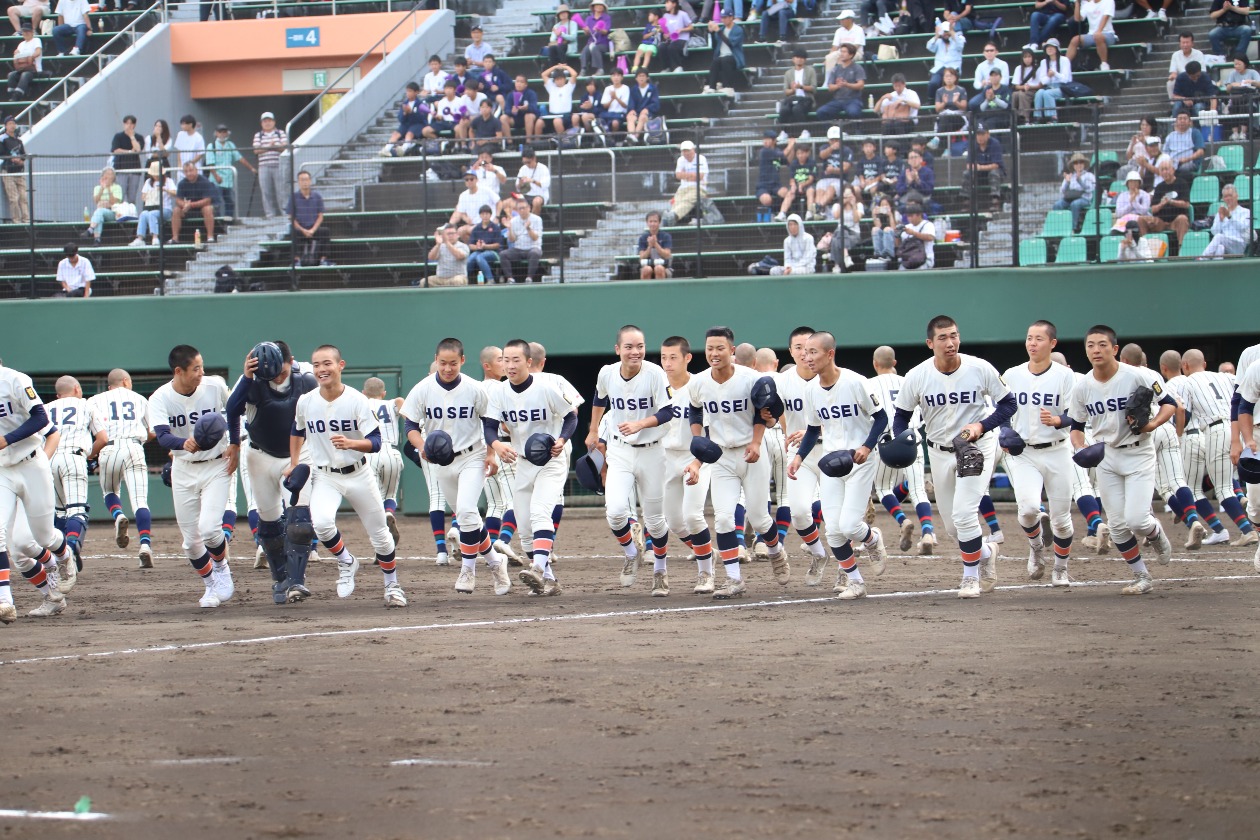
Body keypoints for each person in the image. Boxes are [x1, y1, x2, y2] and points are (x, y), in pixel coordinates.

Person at [891, 315, 1016, 597]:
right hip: (938, 451)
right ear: (930, 343)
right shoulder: (917, 375)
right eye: (943, 338)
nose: (950, 343)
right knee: (951, 527)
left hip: (976, 447)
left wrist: (982, 425)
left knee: (963, 514)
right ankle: (986, 552)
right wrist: (905, 438)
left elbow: (1009, 404)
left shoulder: (979, 368)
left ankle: (970, 577)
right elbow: (901, 416)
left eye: (954, 336)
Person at [290, 345, 406, 608]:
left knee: (380, 534)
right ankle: (346, 561)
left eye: (327, 364)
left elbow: (376, 441)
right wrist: (294, 462)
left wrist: (352, 444)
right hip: (325, 475)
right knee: (320, 524)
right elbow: (296, 431)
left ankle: (392, 585)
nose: (322, 369)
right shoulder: (306, 401)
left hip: (359, 473)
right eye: (317, 364)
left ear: (340, 365)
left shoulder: (356, 400)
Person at [1067, 326, 1175, 594]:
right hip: (1107, 455)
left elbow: (1170, 403)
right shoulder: (1082, 387)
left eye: (1102, 344)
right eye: (1090, 345)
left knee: (1137, 520)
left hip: (1138, 451)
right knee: (1116, 526)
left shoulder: (1137, 376)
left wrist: (1152, 425)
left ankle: (1155, 534)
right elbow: (1076, 426)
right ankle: (1142, 577)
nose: (1096, 350)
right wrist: (1080, 447)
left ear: (1115, 349)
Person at [684, 326, 788, 599]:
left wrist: (756, 442)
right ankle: (734, 579)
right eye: (709, 349)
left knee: (759, 516)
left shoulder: (751, 378)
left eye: (720, 348)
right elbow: (694, 409)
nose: (714, 354)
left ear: (732, 350)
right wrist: (698, 442)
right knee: (723, 518)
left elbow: (765, 413)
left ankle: (776, 551)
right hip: (720, 456)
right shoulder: (699, 382)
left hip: (751, 451)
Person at [401, 338, 508, 595]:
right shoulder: (423, 388)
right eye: (442, 363)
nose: (447, 368)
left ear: (462, 360)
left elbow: (489, 422)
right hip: (441, 461)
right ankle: (495, 561)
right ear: (436, 360)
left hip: (472, 456)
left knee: (466, 511)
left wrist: (491, 453)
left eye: (452, 363)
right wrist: (423, 446)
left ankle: (467, 570)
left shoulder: (474, 388)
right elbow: (410, 427)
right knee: (467, 516)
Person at [786, 331, 888, 599]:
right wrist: (799, 457)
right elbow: (811, 430)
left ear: (830, 354)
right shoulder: (811, 390)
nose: (807, 358)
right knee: (833, 531)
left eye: (813, 352)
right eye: (805, 352)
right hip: (830, 462)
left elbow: (881, 418)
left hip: (860, 460)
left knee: (851, 526)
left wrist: (867, 446)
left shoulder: (856, 382)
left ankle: (872, 539)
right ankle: (855, 582)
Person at [223, 341, 318, 602]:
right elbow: (232, 410)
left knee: (300, 523)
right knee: (269, 525)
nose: (277, 377)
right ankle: (280, 579)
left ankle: (297, 582)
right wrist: (247, 376)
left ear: (292, 362)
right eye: (272, 373)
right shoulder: (254, 383)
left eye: (282, 372)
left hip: (298, 453)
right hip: (260, 455)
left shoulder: (306, 381)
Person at [580, 326, 673, 592]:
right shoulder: (607, 372)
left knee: (655, 520)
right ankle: (632, 553)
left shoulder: (654, 373)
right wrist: (594, 430)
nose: (636, 351)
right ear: (618, 349)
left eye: (640, 346)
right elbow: (599, 397)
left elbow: (668, 411)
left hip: (652, 450)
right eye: (630, 346)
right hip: (620, 450)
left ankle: (660, 570)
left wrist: (641, 423)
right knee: (616, 511)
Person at [148, 345, 237, 609]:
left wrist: (235, 444)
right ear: (179, 371)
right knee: (190, 542)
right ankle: (210, 584)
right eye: (196, 368)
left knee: (210, 528)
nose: (201, 373)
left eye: (202, 366)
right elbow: (162, 436)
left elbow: (233, 414)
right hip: (184, 468)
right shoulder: (160, 398)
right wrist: (182, 443)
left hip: (216, 465)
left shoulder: (214, 387)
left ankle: (221, 567)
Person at [88, 369, 154, 568]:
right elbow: (152, 432)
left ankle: (118, 515)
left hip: (109, 448)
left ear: (110, 386)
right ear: (125, 382)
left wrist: (91, 454)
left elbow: (93, 430)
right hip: (134, 446)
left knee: (109, 491)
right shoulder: (140, 399)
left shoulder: (94, 400)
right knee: (140, 501)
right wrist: (139, 441)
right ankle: (145, 545)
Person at [205, 124, 252, 220]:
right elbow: (210, 163)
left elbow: (239, 158)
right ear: (216, 133)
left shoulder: (230, 145)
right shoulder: (212, 145)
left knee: (230, 202)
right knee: (216, 203)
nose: (222, 134)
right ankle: (217, 222)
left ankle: (228, 220)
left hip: (228, 180)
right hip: (216, 180)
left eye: (224, 132)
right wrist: (216, 175)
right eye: (220, 132)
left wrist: (251, 168)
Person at [1139, 159, 1191, 245]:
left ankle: (1181, 250)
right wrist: (1161, 204)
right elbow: (1153, 209)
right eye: (1162, 170)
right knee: (1141, 219)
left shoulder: (1182, 183)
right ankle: (1145, 248)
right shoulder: (1159, 187)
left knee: (1183, 218)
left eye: (1166, 169)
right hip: (1160, 222)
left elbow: (1186, 204)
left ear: (1173, 170)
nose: (1164, 172)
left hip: (1176, 221)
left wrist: (1171, 202)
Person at [287, 170, 329, 267]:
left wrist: (313, 230)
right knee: (293, 232)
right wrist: (303, 230)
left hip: (313, 228)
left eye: (306, 179)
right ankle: (296, 261)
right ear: (298, 182)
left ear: (310, 181)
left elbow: (320, 216)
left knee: (325, 231)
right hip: (300, 229)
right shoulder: (293, 197)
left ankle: (324, 260)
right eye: (302, 180)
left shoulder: (317, 196)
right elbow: (291, 217)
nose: (304, 182)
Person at [168, 161, 216, 244]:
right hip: (187, 209)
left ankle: (210, 237)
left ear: (196, 170)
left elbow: (208, 200)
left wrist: (191, 205)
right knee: (176, 210)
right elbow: (178, 200)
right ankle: (175, 238)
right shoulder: (181, 183)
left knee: (208, 209)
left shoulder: (204, 181)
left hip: (202, 208)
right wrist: (185, 205)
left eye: (191, 170)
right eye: (186, 171)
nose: (189, 173)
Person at [131, 160, 175, 247]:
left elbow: (175, 192)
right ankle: (140, 238)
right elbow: (143, 196)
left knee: (152, 214)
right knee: (143, 214)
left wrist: (164, 189)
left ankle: (155, 237)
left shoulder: (168, 181)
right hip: (151, 207)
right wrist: (150, 194)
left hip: (165, 209)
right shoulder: (148, 182)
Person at [961, 124, 1004, 212]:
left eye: (982, 134)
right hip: (979, 175)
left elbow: (996, 164)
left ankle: (995, 201)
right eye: (978, 134)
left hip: (994, 173)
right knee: (966, 173)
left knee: (994, 172)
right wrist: (976, 168)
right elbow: (968, 165)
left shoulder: (995, 143)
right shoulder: (972, 145)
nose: (980, 137)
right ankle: (966, 202)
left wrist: (980, 167)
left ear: (988, 134)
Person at [1202, 184, 1252, 259]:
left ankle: (1202, 259)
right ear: (1223, 198)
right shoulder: (1221, 212)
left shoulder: (1245, 212)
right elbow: (1214, 232)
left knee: (1219, 237)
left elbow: (1243, 228)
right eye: (1225, 196)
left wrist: (1229, 217)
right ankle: (1217, 270)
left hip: (1238, 245)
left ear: (1236, 196)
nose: (1228, 198)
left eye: (1230, 195)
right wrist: (1220, 219)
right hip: (1225, 244)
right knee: (1219, 248)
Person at [253, 111, 288, 219]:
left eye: (269, 121)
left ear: (274, 122)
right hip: (263, 166)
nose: (267, 123)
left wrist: (272, 146)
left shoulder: (280, 133)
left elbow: (285, 147)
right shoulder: (258, 135)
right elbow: (256, 150)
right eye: (265, 121)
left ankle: (284, 213)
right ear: (261, 123)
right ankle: (270, 214)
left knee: (281, 191)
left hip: (279, 166)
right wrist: (271, 146)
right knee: (266, 191)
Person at [816, 44, 864, 121]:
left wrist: (847, 85)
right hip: (837, 100)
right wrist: (838, 85)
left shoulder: (857, 68)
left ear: (851, 55)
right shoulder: (835, 69)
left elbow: (861, 85)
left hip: (853, 99)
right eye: (841, 51)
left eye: (844, 52)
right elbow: (830, 87)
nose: (841, 54)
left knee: (854, 112)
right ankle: (832, 130)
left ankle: (858, 131)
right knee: (821, 112)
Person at [1065, 0, 1116, 72]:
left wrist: (1098, 31)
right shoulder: (1087, 5)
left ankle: (1104, 64)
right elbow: (1077, 19)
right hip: (1092, 35)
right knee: (1075, 40)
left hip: (1108, 34)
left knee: (1097, 36)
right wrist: (1077, 3)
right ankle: (1064, 65)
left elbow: (1106, 17)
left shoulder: (1109, 1)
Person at [380, 82, 428, 157]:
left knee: (410, 133)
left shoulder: (420, 104)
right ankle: (386, 149)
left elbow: (422, 118)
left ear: (416, 92)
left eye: (410, 91)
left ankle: (403, 149)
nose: (408, 93)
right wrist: (405, 114)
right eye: (407, 91)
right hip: (406, 124)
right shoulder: (404, 104)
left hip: (418, 125)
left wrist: (411, 112)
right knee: (396, 134)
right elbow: (400, 119)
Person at [703, 11, 745, 94]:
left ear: (731, 18)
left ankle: (727, 86)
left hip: (734, 57)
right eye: (722, 18)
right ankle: (712, 87)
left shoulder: (738, 30)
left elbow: (731, 44)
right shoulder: (722, 29)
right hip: (722, 56)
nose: (723, 20)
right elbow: (714, 46)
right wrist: (711, 32)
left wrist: (718, 31)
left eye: (725, 18)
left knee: (725, 60)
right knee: (716, 61)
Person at [502, 198, 543, 283]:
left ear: (529, 208)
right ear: (517, 210)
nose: (522, 210)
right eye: (520, 208)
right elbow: (512, 240)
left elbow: (535, 238)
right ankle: (510, 278)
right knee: (503, 254)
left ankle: (529, 278)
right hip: (518, 248)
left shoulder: (537, 219)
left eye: (524, 208)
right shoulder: (513, 221)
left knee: (535, 253)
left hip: (533, 247)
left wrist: (528, 228)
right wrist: (509, 229)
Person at [1053, 152, 1095, 232]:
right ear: (1073, 165)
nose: (1078, 164)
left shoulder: (1089, 175)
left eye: (1081, 162)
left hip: (1085, 199)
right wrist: (1067, 182)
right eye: (1076, 163)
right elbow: (1062, 191)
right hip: (1070, 198)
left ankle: (1073, 228)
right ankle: (1058, 227)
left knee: (1075, 204)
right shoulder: (1070, 176)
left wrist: (1080, 181)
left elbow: (1090, 189)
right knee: (1057, 205)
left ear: (1084, 164)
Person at [1033, 39, 1072, 122]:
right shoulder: (1043, 62)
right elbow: (1043, 81)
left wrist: (1055, 74)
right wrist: (1049, 76)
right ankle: (1037, 117)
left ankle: (1052, 117)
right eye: (1047, 47)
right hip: (1049, 86)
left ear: (1057, 49)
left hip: (1062, 87)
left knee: (1048, 93)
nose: (1049, 49)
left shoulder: (1064, 60)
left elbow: (1065, 79)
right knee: (1039, 92)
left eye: (1052, 47)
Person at [671, 139, 708, 224]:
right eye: (684, 151)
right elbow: (678, 175)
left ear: (693, 150)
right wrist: (692, 175)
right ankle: (672, 217)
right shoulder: (680, 160)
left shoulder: (701, 159)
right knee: (677, 201)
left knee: (686, 200)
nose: (686, 153)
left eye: (688, 150)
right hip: (683, 188)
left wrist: (685, 175)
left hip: (699, 187)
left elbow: (700, 176)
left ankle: (673, 216)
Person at [1223, 55, 1260, 139]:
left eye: (1239, 64)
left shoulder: (1252, 72)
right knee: (1232, 108)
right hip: (1235, 99)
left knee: (1245, 107)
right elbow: (1227, 90)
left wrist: (1251, 82)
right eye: (1235, 64)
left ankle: (1243, 133)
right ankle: (1235, 133)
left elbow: (1259, 84)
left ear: (1245, 64)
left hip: (1249, 98)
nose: (1237, 66)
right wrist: (1232, 84)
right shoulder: (1232, 73)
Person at [776, 139, 815, 220]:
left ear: (807, 153)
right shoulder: (794, 163)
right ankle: (782, 213)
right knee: (790, 193)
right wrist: (793, 185)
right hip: (797, 185)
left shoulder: (811, 162)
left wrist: (802, 185)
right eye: (798, 154)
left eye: (802, 153)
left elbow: (811, 178)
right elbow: (792, 178)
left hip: (808, 185)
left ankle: (809, 213)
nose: (800, 156)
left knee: (810, 191)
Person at [109, 115, 144, 205]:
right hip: (121, 169)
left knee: (132, 197)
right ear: (123, 124)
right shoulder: (118, 136)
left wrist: (132, 137)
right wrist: (129, 151)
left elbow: (138, 149)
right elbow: (115, 150)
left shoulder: (139, 137)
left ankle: (132, 215)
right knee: (120, 195)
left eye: (131, 123)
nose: (129, 125)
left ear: (134, 125)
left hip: (135, 169)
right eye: (127, 123)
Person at [1, 116, 29, 224]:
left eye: (13, 123)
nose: (12, 125)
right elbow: (2, 154)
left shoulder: (19, 141)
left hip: (19, 171)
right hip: (8, 172)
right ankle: (16, 221)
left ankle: (26, 220)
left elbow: (24, 155)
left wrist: (21, 161)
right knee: (14, 198)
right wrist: (12, 159)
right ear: (6, 126)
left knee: (23, 197)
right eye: (10, 123)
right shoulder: (2, 139)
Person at [779, 47, 817, 126]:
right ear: (793, 59)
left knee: (797, 109)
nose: (799, 59)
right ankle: (783, 132)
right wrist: (793, 90)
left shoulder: (810, 71)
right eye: (797, 57)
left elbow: (814, 88)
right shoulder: (788, 73)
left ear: (805, 60)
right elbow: (785, 91)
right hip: (792, 99)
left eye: (802, 58)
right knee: (783, 110)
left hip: (806, 99)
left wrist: (801, 87)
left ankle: (805, 130)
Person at [926, 21, 964, 100]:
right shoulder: (939, 42)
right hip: (939, 69)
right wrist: (936, 35)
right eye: (944, 32)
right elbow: (929, 47)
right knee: (933, 83)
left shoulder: (959, 39)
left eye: (947, 32)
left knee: (950, 81)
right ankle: (931, 101)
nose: (945, 34)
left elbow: (960, 46)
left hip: (953, 69)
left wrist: (952, 32)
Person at [969, 42, 1010, 112]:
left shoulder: (1003, 64)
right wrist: (982, 84)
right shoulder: (980, 66)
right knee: (972, 103)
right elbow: (976, 83)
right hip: (986, 91)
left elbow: (1005, 81)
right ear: (984, 53)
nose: (989, 53)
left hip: (1000, 91)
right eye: (987, 51)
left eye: (991, 50)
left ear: (996, 52)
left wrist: (993, 82)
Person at [84, 167, 121, 245]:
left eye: (111, 174)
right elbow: (96, 200)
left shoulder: (117, 187)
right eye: (107, 174)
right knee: (99, 215)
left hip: (113, 212)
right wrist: (102, 189)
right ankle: (97, 240)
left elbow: (114, 202)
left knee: (99, 211)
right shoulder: (97, 188)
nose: (109, 176)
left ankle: (91, 229)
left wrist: (109, 189)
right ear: (103, 176)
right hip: (100, 211)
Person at [466, 205, 503, 283]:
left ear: (490, 215)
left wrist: (485, 246)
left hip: (494, 252)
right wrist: (477, 247)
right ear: (480, 215)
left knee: (480, 257)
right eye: (483, 214)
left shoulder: (495, 227)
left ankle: (490, 280)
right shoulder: (476, 228)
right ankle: (467, 280)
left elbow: (498, 245)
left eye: (487, 214)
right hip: (479, 250)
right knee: (470, 260)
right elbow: (470, 245)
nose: (485, 216)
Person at [625, 69, 660, 144]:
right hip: (636, 112)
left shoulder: (653, 88)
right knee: (630, 117)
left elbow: (656, 103)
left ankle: (635, 137)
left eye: (643, 76)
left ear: (647, 78)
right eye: (639, 76)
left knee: (643, 117)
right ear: (636, 78)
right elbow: (631, 102)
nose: (641, 78)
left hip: (649, 113)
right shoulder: (633, 89)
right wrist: (631, 110)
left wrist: (647, 108)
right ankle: (631, 135)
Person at [500, 74, 540, 141]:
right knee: (503, 118)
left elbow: (534, 108)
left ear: (526, 84)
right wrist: (512, 111)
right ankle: (509, 142)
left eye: (521, 82)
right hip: (515, 118)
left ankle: (528, 141)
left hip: (528, 118)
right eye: (517, 81)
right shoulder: (510, 95)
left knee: (528, 116)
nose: (519, 84)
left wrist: (526, 108)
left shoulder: (531, 93)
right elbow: (506, 109)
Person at [7, 24, 41, 100]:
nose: (25, 33)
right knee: (11, 75)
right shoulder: (21, 44)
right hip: (22, 69)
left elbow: (38, 52)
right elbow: (16, 54)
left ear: (32, 32)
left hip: (34, 70)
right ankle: (12, 95)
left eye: (27, 31)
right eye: (24, 31)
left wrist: (30, 57)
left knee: (25, 75)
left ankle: (17, 95)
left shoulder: (36, 40)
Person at [542, 64, 578, 135]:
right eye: (557, 79)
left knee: (559, 121)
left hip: (566, 115)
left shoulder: (568, 87)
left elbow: (574, 74)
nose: (559, 81)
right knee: (539, 123)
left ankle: (565, 141)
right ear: (554, 80)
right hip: (552, 115)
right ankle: (536, 143)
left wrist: (565, 67)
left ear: (565, 79)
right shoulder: (551, 87)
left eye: (561, 79)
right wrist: (555, 67)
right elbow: (544, 75)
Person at [1167, 33, 1205, 100]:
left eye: (1187, 42)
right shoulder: (1175, 55)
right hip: (1181, 80)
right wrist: (1172, 76)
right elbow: (1173, 73)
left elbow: (1203, 71)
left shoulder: (1199, 54)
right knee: (1170, 83)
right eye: (1183, 42)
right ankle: (1174, 103)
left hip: (1196, 78)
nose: (1185, 45)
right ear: (1180, 44)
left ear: (1192, 43)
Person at [1164, 111, 1204, 175]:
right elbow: (1165, 153)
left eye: (1185, 119)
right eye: (1180, 119)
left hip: (1188, 162)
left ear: (1190, 122)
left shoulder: (1195, 133)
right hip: (1172, 163)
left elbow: (1201, 151)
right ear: (1176, 122)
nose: (1182, 121)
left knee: (1181, 169)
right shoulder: (1170, 136)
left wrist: (1186, 159)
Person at [514, 146, 551, 215]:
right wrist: (520, 183)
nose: (527, 164)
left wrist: (532, 181)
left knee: (536, 202)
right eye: (524, 162)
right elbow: (518, 188)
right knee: (510, 201)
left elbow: (545, 185)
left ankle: (533, 222)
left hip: (540, 195)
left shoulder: (543, 168)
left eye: (528, 162)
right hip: (526, 195)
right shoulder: (523, 169)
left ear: (534, 158)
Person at [579, 0, 612, 76]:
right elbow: (586, 33)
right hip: (591, 42)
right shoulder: (589, 19)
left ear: (603, 8)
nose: (599, 6)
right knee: (584, 50)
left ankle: (600, 69)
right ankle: (583, 70)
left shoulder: (607, 18)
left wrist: (599, 29)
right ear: (593, 7)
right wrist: (586, 30)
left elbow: (606, 31)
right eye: (597, 5)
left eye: (601, 5)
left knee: (595, 48)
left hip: (603, 43)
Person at [898, 203, 935, 270]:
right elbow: (899, 245)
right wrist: (896, 235)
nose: (909, 218)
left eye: (911, 216)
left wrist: (913, 233)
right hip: (908, 261)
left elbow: (930, 237)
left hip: (924, 260)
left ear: (919, 215)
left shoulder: (928, 225)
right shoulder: (907, 227)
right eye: (908, 216)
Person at [659, 0, 693, 73]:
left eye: (668, 2)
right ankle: (666, 67)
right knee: (662, 47)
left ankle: (678, 66)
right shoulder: (665, 16)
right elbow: (665, 30)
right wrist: (665, 34)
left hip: (682, 38)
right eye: (666, 3)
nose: (666, 5)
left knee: (672, 47)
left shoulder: (683, 14)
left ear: (674, 4)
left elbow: (691, 27)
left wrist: (681, 30)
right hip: (671, 39)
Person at [638, 210, 673, 279]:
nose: (652, 224)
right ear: (647, 223)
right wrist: (650, 246)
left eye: (655, 221)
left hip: (664, 266)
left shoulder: (666, 236)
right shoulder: (643, 238)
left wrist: (655, 244)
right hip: (647, 264)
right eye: (650, 221)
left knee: (658, 268)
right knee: (646, 270)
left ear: (659, 222)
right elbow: (642, 257)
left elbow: (667, 255)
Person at [1010, 48, 1041, 123]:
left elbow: (1040, 85)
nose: (1027, 59)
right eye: (1025, 57)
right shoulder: (1018, 68)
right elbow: (1016, 86)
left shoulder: (1038, 68)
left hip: (1034, 91)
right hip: (1023, 89)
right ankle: (1013, 118)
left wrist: (1030, 87)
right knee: (1014, 94)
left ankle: (1024, 118)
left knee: (1021, 94)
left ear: (1033, 58)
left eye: (1029, 57)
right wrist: (1023, 87)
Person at [934, 66, 968, 134]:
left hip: (958, 116)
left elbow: (964, 107)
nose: (949, 78)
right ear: (943, 78)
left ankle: (937, 138)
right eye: (946, 76)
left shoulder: (961, 90)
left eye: (951, 76)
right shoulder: (939, 91)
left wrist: (956, 102)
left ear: (955, 78)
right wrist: (944, 103)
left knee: (945, 120)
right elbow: (937, 109)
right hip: (944, 116)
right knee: (945, 121)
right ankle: (944, 141)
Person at [598, 66, 630, 134]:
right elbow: (605, 106)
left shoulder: (626, 88)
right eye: (614, 75)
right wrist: (612, 99)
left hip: (620, 114)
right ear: (611, 77)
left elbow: (625, 105)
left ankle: (613, 138)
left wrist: (616, 97)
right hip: (609, 114)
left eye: (618, 75)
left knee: (615, 123)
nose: (616, 77)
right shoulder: (607, 89)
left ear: (622, 77)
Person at [631, 9, 663, 73]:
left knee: (648, 53)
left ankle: (644, 67)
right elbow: (644, 36)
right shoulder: (648, 26)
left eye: (650, 15)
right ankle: (635, 67)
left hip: (653, 44)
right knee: (639, 52)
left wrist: (659, 29)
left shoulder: (660, 26)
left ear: (656, 17)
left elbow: (663, 32)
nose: (649, 17)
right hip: (645, 43)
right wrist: (652, 33)